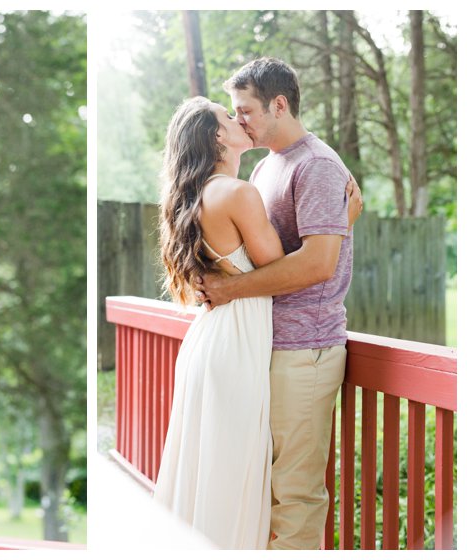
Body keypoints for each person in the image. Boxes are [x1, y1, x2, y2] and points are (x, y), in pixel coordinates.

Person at [199, 57, 361, 550]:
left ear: (279, 104)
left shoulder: (316, 166)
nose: (238, 119)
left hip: (304, 351)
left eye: (244, 109)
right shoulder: (269, 166)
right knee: (258, 487)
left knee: (295, 495)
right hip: (266, 345)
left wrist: (227, 291)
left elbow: (317, 266)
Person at [151, 96, 283, 549]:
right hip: (234, 345)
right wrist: (339, 224)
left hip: (211, 341)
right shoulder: (237, 193)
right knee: (230, 474)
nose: (238, 117)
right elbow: (279, 267)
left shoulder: (195, 196)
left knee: (208, 470)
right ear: (217, 137)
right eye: (229, 116)